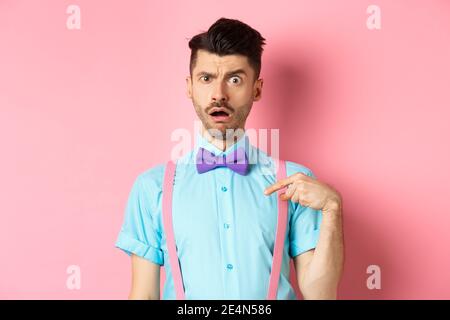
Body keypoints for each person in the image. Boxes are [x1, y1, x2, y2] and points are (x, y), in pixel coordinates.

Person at [115, 17, 344, 300]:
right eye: (206, 78)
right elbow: (144, 296)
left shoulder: (296, 184)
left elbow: (320, 294)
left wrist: (332, 208)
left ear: (256, 89)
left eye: (234, 79)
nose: (218, 95)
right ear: (190, 87)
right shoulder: (152, 187)